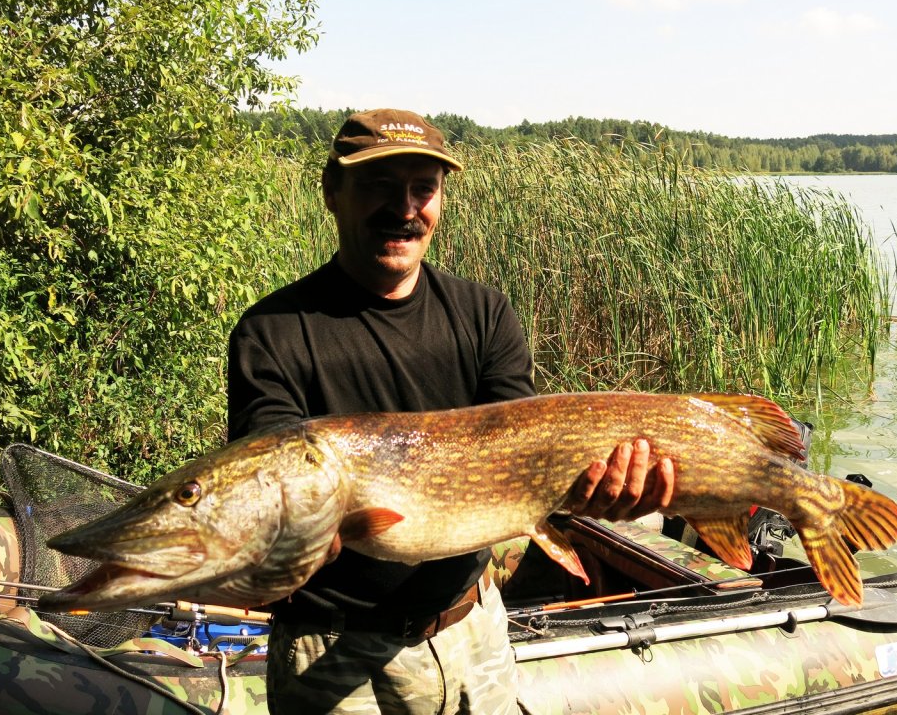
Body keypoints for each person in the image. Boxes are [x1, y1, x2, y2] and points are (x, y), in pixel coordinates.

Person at [227, 108, 675, 714]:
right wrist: (292, 535)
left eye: (423, 188)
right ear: (333, 191)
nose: (405, 208)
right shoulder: (272, 332)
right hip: (331, 648)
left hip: (473, 630)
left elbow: (530, 462)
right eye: (379, 184)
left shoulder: (484, 314)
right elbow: (277, 482)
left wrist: (600, 493)